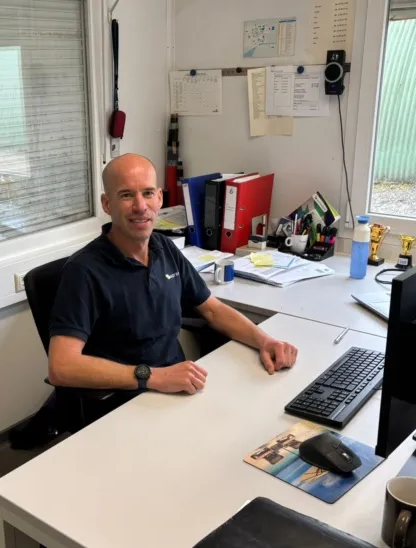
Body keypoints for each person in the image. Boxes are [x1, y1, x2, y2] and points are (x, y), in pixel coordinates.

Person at [48, 154, 298, 396]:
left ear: (159, 198)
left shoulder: (163, 247)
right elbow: (61, 367)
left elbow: (212, 310)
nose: (140, 206)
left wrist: (265, 341)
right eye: (126, 195)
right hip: (124, 399)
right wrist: (151, 377)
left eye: (148, 193)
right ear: (107, 204)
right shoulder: (84, 270)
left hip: (177, 387)